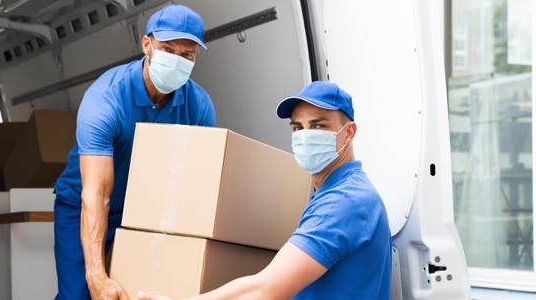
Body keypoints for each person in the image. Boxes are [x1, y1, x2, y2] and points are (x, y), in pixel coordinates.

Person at [138, 81, 392, 300]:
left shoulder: (344, 202)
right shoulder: (334, 192)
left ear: (348, 133)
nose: (305, 136)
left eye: (318, 126)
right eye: (297, 128)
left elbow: (265, 289)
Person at [52, 5, 216, 300]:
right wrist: (97, 275)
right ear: (147, 45)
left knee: (139, 293)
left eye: (186, 55)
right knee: (81, 293)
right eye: (167, 49)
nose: (176, 60)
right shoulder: (106, 99)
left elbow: (194, 190)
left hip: (143, 211)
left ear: (196, 57)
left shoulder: (199, 107)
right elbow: (97, 194)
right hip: (83, 204)